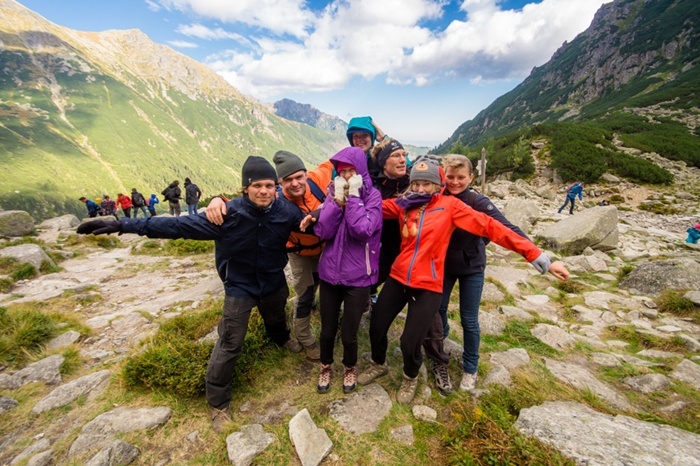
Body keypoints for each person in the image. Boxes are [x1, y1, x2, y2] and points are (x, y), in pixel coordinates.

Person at [77, 156, 310, 433]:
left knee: (275, 315)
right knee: (230, 342)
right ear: (245, 188)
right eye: (257, 185)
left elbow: (311, 223)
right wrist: (122, 225)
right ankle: (218, 403)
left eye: (269, 185)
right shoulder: (224, 215)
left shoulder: (286, 211)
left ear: (276, 188)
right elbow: (176, 227)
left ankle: (281, 340)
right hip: (240, 286)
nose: (264, 190)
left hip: (273, 280)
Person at [357, 157, 570, 404]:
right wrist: (344, 197)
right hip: (398, 277)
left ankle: (410, 376)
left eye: (427, 184)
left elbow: (492, 227)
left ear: (437, 185)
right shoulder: (404, 205)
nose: (420, 189)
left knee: (409, 341)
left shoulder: (450, 207)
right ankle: (378, 362)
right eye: (416, 184)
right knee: (377, 325)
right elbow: (374, 208)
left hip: (428, 284)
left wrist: (537, 255)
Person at [207, 150, 333, 360]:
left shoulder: (318, 178)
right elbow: (242, 204)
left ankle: (316, 309)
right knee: (304, 295)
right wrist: (216, 199)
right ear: (279, 184)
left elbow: (343, 160)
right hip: (299, 253)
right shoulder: (276, 199)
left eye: (299, 177)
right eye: (287, 180)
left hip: (325, 250)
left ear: (306, 174)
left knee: (323, 286)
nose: (295, 183)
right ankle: (306, 339)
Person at [429, 154, 531, 395]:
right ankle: (441, 344)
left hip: (472, 266)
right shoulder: (438, 197)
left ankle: (470, 368)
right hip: (444, 265)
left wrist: (533, 252)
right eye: (451, 177)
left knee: (469, 319)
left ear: (471, 177)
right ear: (444, 175)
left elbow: (505, 226)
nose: (455, 182)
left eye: (461, 177)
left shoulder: (477, 200)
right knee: (438, 309)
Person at [312, 147, 382, 394]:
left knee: (349, 333)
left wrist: (353, 197)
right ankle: (326, 366)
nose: (348, 175)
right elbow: (323, 231)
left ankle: (350, 367)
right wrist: (334, 202)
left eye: (352, 170)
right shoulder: (333, 195)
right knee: (327, 329)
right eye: (343, 172)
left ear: (361, 170)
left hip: (358, 278)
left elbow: (362, 230)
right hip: (330, 274)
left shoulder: (373, 198)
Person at [368, 138, 411, 306]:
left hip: (407, 247)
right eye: (396, 155)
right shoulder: (373, 185)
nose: (402, 160)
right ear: (383, 164)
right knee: (376, 277)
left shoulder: (414, 181)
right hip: (380, 246)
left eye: (404, 155)